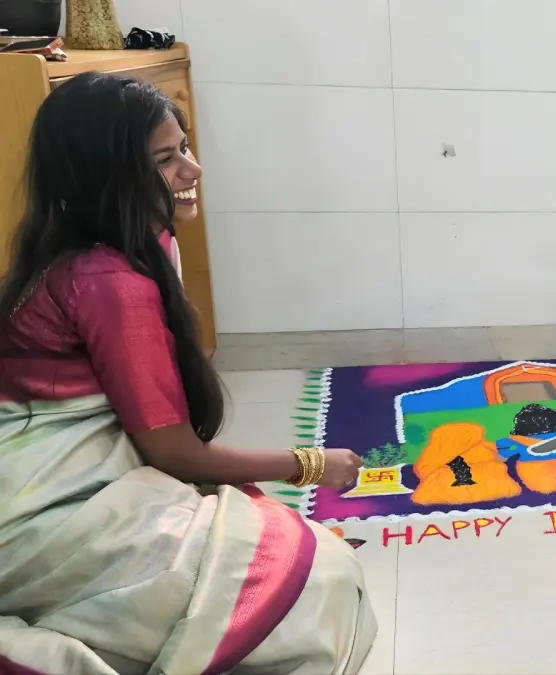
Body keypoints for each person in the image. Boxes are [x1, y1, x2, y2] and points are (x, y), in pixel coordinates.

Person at [0, 73, 377, 673]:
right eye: (165, 159)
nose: (192, 169)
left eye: (184, 146)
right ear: (104, 176)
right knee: (319, 583)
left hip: (43, 491)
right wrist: (311, 463)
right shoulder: (108, 280)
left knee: (269, 540)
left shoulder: (95, 249)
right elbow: (175, 454)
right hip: (43, 516)